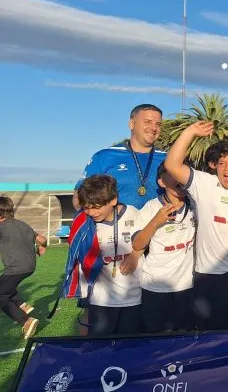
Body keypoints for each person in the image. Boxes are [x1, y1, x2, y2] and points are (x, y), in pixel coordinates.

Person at [73, 103, 164, 334]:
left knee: (143, 312)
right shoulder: (106, 156)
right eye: (148, 121)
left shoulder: (168, 158)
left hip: (156, 243)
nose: (153, 128)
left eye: (158, 123)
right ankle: (87, 355)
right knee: (95, 309)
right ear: (131, 124)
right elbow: (78, 198)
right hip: (110, 244)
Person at [164, 121, 228, 330]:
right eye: (221, 163)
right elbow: (172, 165)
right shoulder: (204, 184)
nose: (226, 169)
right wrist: (190, 131)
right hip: (210, 274)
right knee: (212, 330)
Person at [131, 164, 198, 332]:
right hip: (155, 286)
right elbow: (137, 244)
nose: (179, 178)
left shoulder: (196, 205)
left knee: (186, 336)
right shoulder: (151, 207)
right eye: (172, 174)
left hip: (187, 286)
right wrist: (156, 221)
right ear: (161, 182)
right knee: (156, 338)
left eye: (181, 174)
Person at [76, 175, 143, 336]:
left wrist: (134, 254)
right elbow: (81, 261)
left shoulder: (133, 214)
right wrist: (84, 299)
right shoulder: (84, 223)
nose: (91, 212)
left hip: (133, 297)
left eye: (96, 207)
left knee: (129, 348)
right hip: (100, 300)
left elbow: (144, 241)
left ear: (113, 200)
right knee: (99, 349)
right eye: (86, 207)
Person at [0, 196, 44, 339]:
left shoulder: (2, 227)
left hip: (15, 268)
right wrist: (42, 246)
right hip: (30, 266)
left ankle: (26, 320)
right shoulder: (23, 224)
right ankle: (22, 304)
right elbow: (42, 239)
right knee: (3, 286)